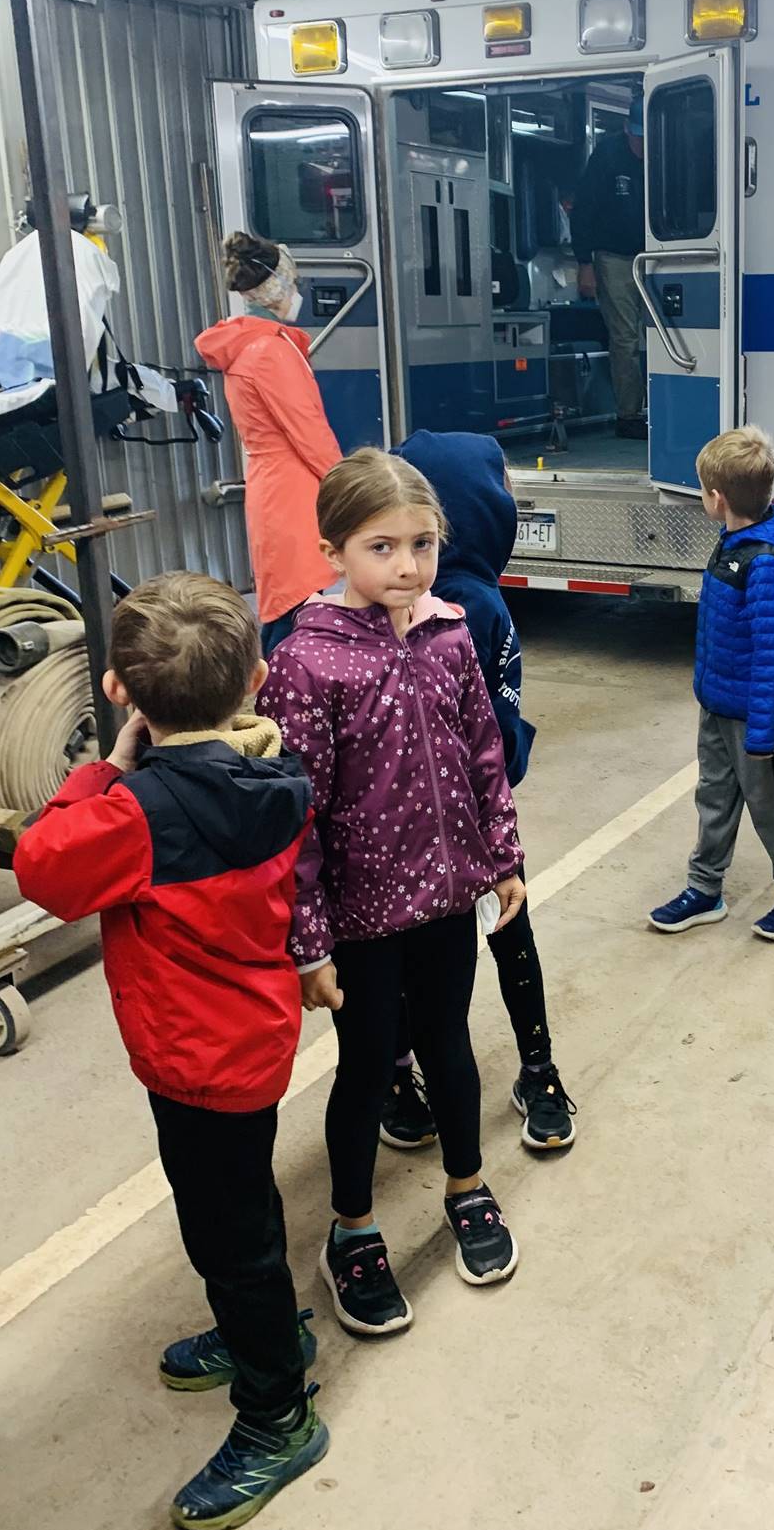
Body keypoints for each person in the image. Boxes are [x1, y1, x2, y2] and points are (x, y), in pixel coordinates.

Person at [13, 573, 328, 1530]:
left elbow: (42, 865)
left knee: (228, 1233)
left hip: (193, 1060)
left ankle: (278, 1413)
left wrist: (108, 766)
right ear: (257, 678)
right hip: (249, 1043)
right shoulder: (276, 777)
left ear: (119, 690)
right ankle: (259, 1332)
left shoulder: (134, 815)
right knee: (237, 1208)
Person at [260, 449, 527, 1337]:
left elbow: (486, 753)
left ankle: (466, 1186)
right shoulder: (307, 661)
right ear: (334, 548)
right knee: (369, 1068)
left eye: (423, 544)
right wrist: (310, 940)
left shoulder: (450, 633)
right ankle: (353, 1228)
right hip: (364, 918)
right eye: (383, 547)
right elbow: (298, 815)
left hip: (448, 900)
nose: (407, 567)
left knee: (451, 1046)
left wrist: (504, 856)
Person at [386, 428, 576, 1152]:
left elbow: (493, 724)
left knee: (489, 935)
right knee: (468, 945)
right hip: (413, 831)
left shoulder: (474, 605)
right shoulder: (431, 603)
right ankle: (521, 1068)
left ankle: (527, 1069)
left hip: (476, 821)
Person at [649, 426, 774, 943]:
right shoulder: (735, 541)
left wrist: (764, 734)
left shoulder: (764, 562)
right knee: (715, 798)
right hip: (718, 703)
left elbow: (773, 653)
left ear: (718, 499)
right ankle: (705, 889)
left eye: (704, 490)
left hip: (752, 715)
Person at [198, 233, 342, 653]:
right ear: (276, 287)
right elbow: (309, 431)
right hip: (294, 490)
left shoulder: (246, 345)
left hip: (272, 487)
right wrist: (350, 485)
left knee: (286, 600)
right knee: (299, 604)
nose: (297, 292)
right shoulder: (270, 352)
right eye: (292, 282)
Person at [571, 99, 648, 439]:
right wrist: (585, 263)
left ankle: (659, 410)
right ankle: (628, 415)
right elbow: (583, 211)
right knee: (625, 338)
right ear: (627, 130)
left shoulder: (667, 151)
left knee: (662, 335)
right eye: (638, 138)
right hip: (613, 257)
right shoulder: (607, 156)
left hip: (657, 256)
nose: (642, 146)